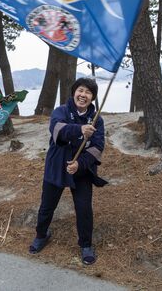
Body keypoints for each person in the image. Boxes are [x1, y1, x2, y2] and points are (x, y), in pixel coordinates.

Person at [29, 77, 107, 265]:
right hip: (57, 165)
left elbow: (97, 147)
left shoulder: (97, 119)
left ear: (93, 97)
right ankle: (41, 235)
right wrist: (80, 129)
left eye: (88, 92)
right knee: (47, 205)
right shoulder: (60, 111)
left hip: (81, 170)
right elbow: (57, 130)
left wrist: (80, 164)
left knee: (84, 209)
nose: (83, 95)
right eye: (81, 90)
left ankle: (86, 245)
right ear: (74, 92)